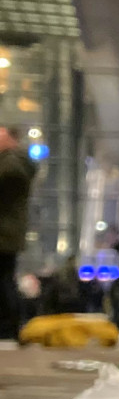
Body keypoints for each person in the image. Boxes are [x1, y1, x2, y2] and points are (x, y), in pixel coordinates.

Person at [0, 126, 35, 340]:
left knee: (4, 282)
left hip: (5, 235)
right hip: (6, 234)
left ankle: (8, 329)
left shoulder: (14, 162)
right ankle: (8, 327)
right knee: (4, 281)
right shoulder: (13, 162)